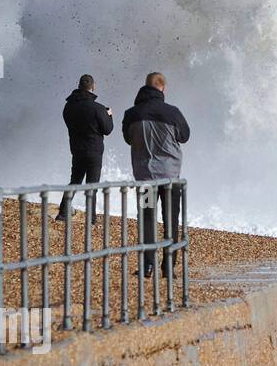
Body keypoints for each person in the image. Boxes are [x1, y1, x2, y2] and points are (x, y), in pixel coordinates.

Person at [122, 72, 191, 277]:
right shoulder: (173, 113)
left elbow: (128, 139)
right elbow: (185, 136)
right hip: (170, 177)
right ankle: (168, 267)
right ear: (163, 88)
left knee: (146, 219)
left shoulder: (131, 113)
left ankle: (147, 265)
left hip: (145, 176)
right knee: (171, 220)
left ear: (145, 87)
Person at [55, 74, 113, 224]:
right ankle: (91, 218)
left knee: (74, 181)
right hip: (94, 151)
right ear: (93, 86)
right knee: (92, 185)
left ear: (79, 86)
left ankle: (62, 213)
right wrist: (109, 116)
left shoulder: (68, 107)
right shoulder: (98, 108)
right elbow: (107, 129)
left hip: (77, 149)